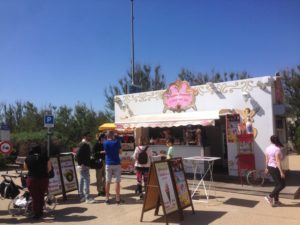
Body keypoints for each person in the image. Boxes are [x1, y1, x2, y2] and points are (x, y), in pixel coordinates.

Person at [24, 145, 52, 220]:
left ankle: (37, 214)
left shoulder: (28, 158)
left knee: (35, 197)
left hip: (32, 179)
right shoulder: (45, 157)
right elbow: (49, 168)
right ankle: (41, 211)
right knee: (41, 195)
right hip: (43, 179)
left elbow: (25, 168)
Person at [264, 135, 286, 207]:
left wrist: (266, 168)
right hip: (275, 168)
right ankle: (270, 197)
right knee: (282, 185)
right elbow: (278, 161)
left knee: (277, 184)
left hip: (270, 168)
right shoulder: (277, 149)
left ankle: (276, 201)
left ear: (271, 141)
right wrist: (281, 172)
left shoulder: (267, 148)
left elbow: (267, 159)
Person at [103, 130, 122, 204]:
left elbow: (106, 151)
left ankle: (107, 198)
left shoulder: (105, 142)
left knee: (108, 181)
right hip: (116, 163)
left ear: (107, 135)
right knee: (117, 181)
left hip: (108, 163)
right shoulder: (117, 142)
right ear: (113, 135)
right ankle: (117, 198)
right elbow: (120, 152)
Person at [76, 131, 95, 203]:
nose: (90, 137)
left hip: (83, 165)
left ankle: (82, 196)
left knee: (82, 180)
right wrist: (81, 164)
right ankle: (87, 197)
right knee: (86, 181)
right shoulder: (84, 144)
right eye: (88, 136)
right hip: (84, 165)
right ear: (84, 137)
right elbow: (78, 155)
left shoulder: (82, 144)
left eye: (90, 136)